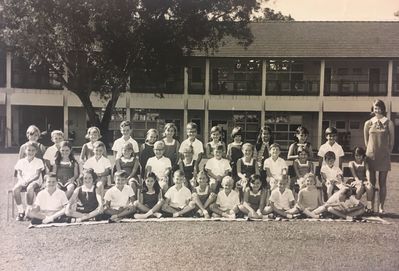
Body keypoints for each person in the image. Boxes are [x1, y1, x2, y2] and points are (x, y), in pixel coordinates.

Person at [364, 99, 395, 214]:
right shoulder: (368, 123)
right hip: (371, 156)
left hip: (383, 157)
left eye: (379, 108)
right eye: (375, 108)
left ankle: (381, 207)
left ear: (383, 109)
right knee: (371, 183)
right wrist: (370, 153)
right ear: (373, 109)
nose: (377, 110)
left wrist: (386, 153)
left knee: (382, 183)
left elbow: (392, 142)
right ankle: (370, 206)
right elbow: (366, 142)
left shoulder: (389, 123)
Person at [13, 142, 45, 221]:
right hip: (23, 180)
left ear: (36, 151)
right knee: (15, 189)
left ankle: (29, 211)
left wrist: (28, 181)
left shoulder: (39, 161)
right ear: (25, 151)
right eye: (29, 150)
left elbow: (37, 175)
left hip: (35, 181)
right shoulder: (21, 161)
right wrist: (22, 180)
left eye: (33, 150)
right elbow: (19, 174)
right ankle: (21, 212)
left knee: (30, 188)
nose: (31, 152)